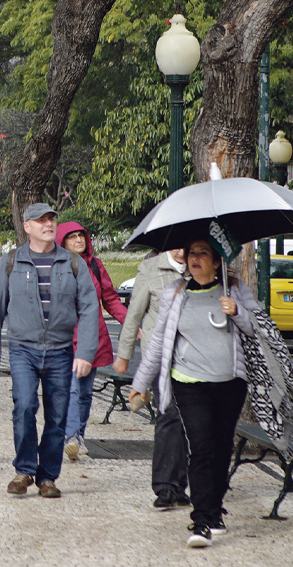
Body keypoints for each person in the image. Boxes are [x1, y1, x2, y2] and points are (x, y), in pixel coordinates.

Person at [129, 239, 260, 548]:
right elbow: (159, 340)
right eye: (191, 253)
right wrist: (141, 382)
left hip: (230, 382)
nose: (195, 259)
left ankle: (215, 512)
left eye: (203, 253)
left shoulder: (235, 287)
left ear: (217, 261)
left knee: (221, 447)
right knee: (200, 447)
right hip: (188, 382)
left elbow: (257, 327)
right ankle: (200, 521)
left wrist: (238, 311)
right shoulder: (176, 292)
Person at [0, 203, 99, 499]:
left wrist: (85, 352)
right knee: (24, 407)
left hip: (60, 351)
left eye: (51, 219)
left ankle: (47, 477)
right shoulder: (11, 262)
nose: (48, 224)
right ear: (27, 226)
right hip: (23, 350)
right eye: (41, 220)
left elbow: (89, 308)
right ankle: (24, 470)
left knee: (57, 416)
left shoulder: (73, 262)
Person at [113, 248, 191, 509]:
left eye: (187, 245)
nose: (182, 252)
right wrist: (124, 355)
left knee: (187, 421)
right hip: (159, 356)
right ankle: (165, 486)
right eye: (176, 246)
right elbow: (134, 313)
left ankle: (181, 483)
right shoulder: (151, 267)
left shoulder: (201, 265)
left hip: (194, 358)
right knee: (169, 415)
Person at [56, 222, 128, 460]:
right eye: (72, 237)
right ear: (62, 242)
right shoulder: (56, 266)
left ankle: (79, 436)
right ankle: (71, 436)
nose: (79, 240)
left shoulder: (95, 266)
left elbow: (110, 299)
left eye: (81, 236)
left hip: (93, 337)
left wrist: (131, 322)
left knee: (86, 393)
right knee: (72, 390)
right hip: (66, 340)